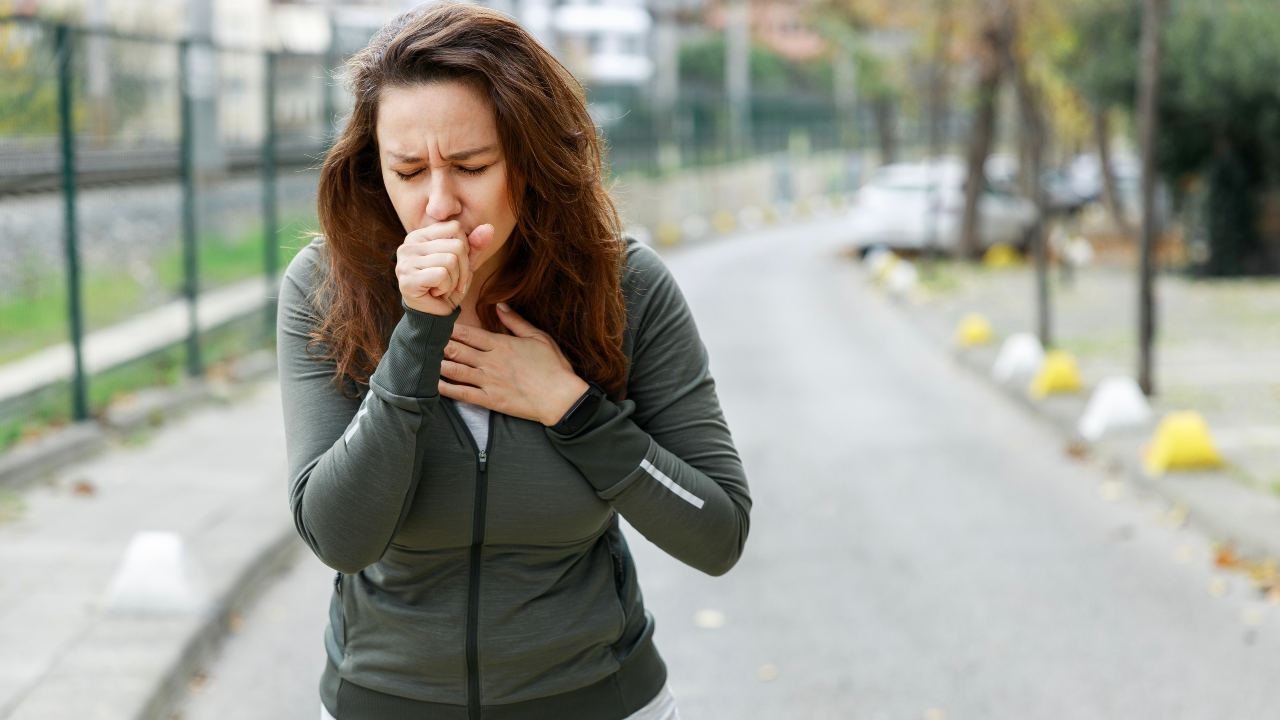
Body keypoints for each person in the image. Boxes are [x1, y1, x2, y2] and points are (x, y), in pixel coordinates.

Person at [276, 4, 752, 719]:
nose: (439, 204)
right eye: (407, 170)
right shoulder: (326, 289)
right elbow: (339, 536)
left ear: (530, 162)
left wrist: (572, 407)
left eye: (471, 166)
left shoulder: (626, 288)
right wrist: (418, 336)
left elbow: (718, 534)